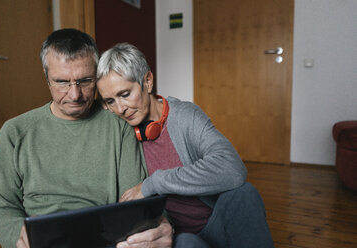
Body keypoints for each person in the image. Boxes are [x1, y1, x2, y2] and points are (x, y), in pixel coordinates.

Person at [0, 29, 173, 248]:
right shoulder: (15, 131)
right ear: (47, 80)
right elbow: (1, 209)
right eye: (62, 82)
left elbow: (135, 201)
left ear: (97, 77)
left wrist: (160, 226)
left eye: (85, 81)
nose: (75, 95)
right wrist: (20, 236)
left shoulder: (119, 126)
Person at [97, 43, 274, 248]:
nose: (120, 109)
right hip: (177, 237)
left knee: (244, 193)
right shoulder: (121, 132)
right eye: (110, 101)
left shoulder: (185, 116)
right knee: (187, 243)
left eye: (125, 94)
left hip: (216, 224)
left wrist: (155, 183)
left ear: (147, 82)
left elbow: (232, 168)